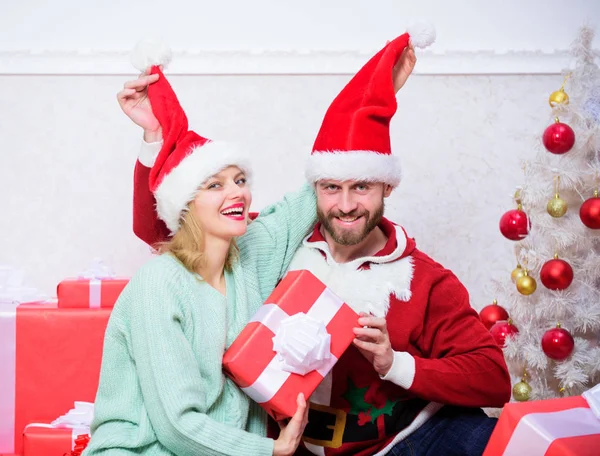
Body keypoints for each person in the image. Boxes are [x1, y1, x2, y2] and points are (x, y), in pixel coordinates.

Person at [132, 26, 510, 456]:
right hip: (294, 447)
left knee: (481, 435)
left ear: (387, 187)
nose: (346, 205)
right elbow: (170, 232)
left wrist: (395, 364)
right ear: (314, 190)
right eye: (331, 187)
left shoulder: (422, 278)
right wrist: (154, 139)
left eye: (362, 187)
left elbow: (493, 379)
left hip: (402, 443)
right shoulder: (271, 248)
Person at [83, 52, 317, 456]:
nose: (238, 193)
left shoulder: (249, 257)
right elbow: (176, 428)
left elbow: (318, 190)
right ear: (185, 205)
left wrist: (379, 97)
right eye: (215, 185)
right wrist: (271, 451)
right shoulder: (159, 284)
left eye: (240, 180)